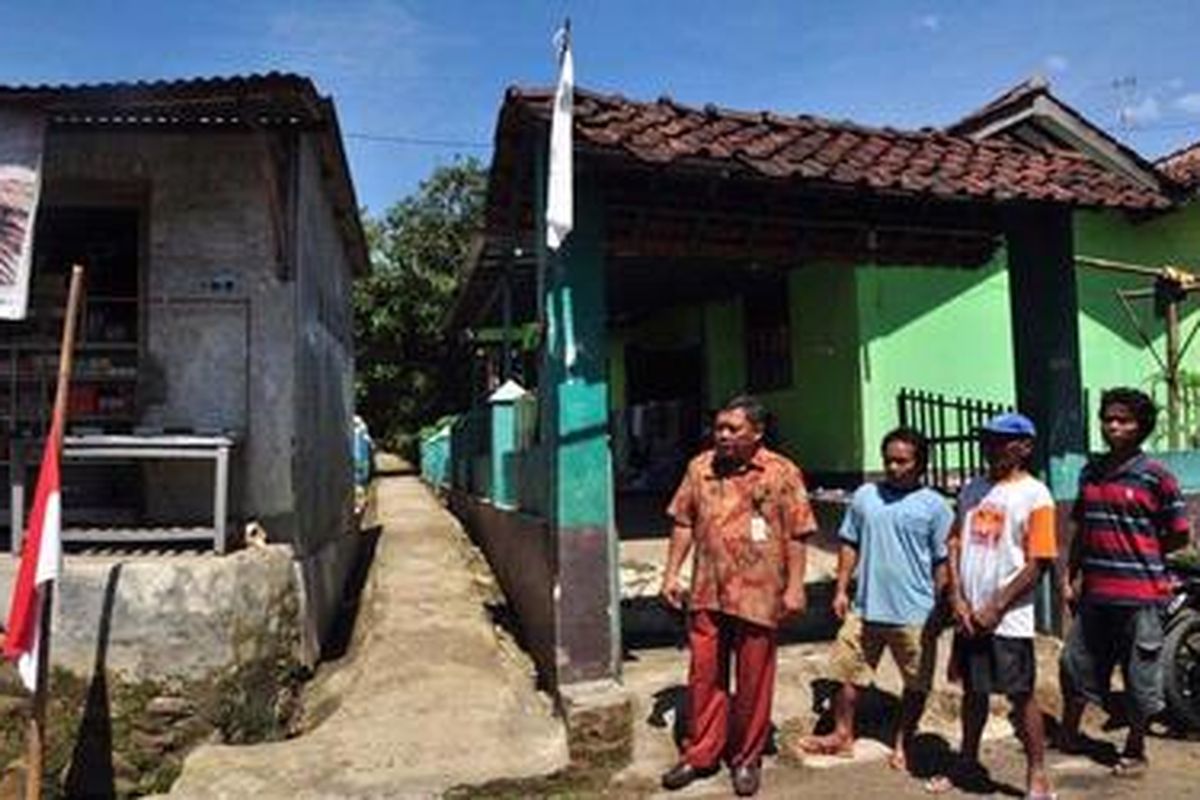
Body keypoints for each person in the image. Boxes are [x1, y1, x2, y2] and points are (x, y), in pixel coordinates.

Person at [659, 395, 817, 796]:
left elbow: (798, 532)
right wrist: (671, 573)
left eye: (733, 428)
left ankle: (746, 758)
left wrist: (796, 586)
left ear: (757, 432)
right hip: (707, 590)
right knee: (704, 675)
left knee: (753, 679)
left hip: (759, 595)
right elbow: (683, 522)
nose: (723, 435)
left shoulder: (782, 472)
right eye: (719, 428)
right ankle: (701, 754)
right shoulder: (699, 468)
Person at [796, 427, 953, 773]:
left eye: (902, 461)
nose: (893, 468)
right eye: (888, 461)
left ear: (920, 464)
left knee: (915, 684)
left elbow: (943, 561)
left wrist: (943, 607)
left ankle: (904, 741)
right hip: (866, 609)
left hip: (915, 614)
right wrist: (841, 589)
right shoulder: (866, 496)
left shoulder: (936, 507)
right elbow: (850, 543)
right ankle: (842, 735)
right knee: (845, 674)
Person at [1058, 387, 1191, 777]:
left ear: (1141, 427)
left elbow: (1179, 533)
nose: (1113, 426)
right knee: (1074, 663)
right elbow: (1081, 529)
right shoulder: (1091, 471)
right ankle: (1068, 733)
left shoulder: (1157, 477)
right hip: (1096, 594)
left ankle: (1135, 749)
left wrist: (1142, 553)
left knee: (1139, 675)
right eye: (1108, 419)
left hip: (1142, 596)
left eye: (1123, 420)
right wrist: (1069, 576)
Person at [939, 412, 1057, 799]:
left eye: (1000, 441)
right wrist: (957, 597)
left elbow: (1038, 562)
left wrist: (997, 606)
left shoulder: (1036, 495)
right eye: (986, 440)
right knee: (973, 691)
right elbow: (955, 542)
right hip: (969, 613)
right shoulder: (972, 489)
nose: (990, 448)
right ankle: (967, 762)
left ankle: (1037, 774)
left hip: (1008, 619)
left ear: (1024, 447)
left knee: (1020, 694)